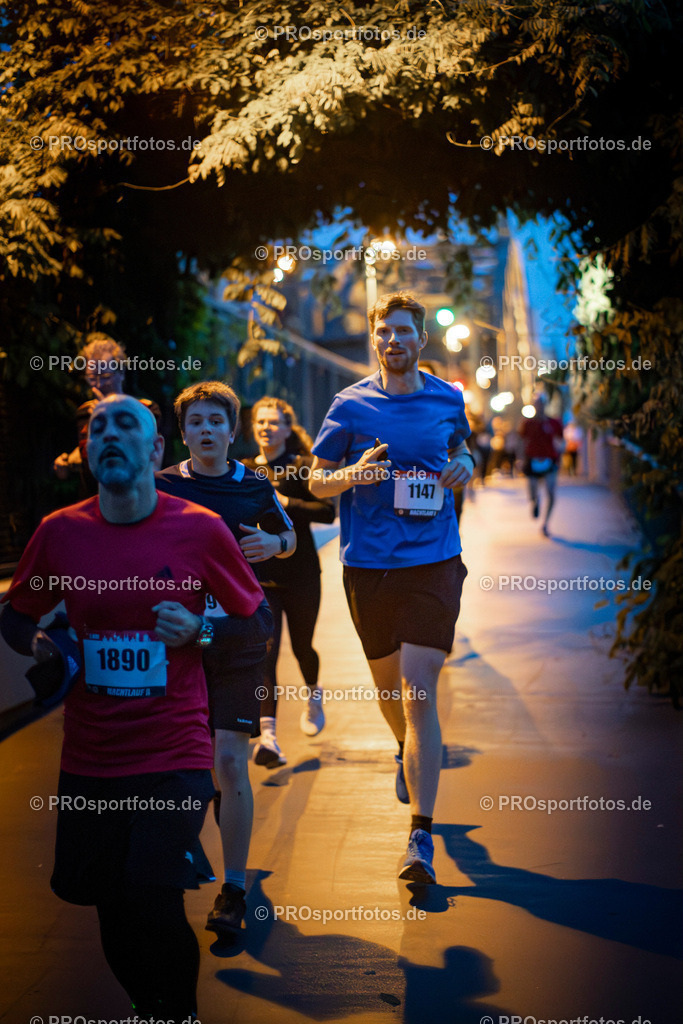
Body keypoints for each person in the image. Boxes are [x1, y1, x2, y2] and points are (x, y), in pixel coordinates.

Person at [0, 394, 268, 1020]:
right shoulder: (60, 533)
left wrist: (198, 631)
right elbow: (16, 620)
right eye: (99, 428)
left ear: (155, 451)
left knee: (153, 897)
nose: (110, 435)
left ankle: (176, 1013)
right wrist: (43, 647)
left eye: (128, 426)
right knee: (110, 904)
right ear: (90, 452)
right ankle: (152, 1008)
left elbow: (255, 625)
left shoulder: (198, 529)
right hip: (90, 757)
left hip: (172, 751)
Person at [309, 291, 474, 885]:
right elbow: (318, 481)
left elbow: (460, 446)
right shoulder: (349, 407)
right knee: (390, 692)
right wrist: (355, 475)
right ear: (374, 340)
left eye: (404, 331)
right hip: (370, 567)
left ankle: (420, 838)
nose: (393, 341)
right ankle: (406, 750)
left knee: (419, 687)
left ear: (420, 340)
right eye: (384, 332)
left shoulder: (446, 398)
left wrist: (466, 465)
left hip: (434, 560)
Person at [155, 381, 295, 940]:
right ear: (183, 433)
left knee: (231, 763)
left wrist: (273, 546)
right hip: (178, 645)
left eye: (216, 421)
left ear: (231, 431)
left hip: (234, 638)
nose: (206, 430)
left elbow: (287, 535)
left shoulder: (254, 483)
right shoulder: (164, 487)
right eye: (196, 422)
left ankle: (233, 888)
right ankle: (180, 854)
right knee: (185, 766)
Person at [245, 397, 336, 743]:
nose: (266, 428)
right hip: (261, 577)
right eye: (260, 421)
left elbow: (327, 512)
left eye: (273, 422)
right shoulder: (242, 470)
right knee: (266, 653)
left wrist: (286, 502)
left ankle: (313, 693)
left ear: (286, 428)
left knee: (302, 648)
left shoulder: (302, 466)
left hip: (301, 575)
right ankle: (268, 737)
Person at [53, 334, 161, 498]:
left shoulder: (145, 409)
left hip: (135, 499)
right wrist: (65, 463)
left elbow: (151, 461)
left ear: (122, 373)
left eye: (105, 377)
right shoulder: (85, 412)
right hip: (91, 501)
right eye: (91, 378)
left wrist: (111, 410)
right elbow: (85, 454)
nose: (98, 384)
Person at [518, 393, 565, 536]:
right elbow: (521, 441)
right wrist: (519, 459)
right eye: (536, 403)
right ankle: (535, 502)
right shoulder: (527, 423)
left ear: (545, 405)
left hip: (550, 460)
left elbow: (561, 440)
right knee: (532, 491)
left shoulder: (554, 423)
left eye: (541, 403)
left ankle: (546, 524)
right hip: (532, 460)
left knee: (551, 492)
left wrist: (559, 455)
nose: (539, 406)